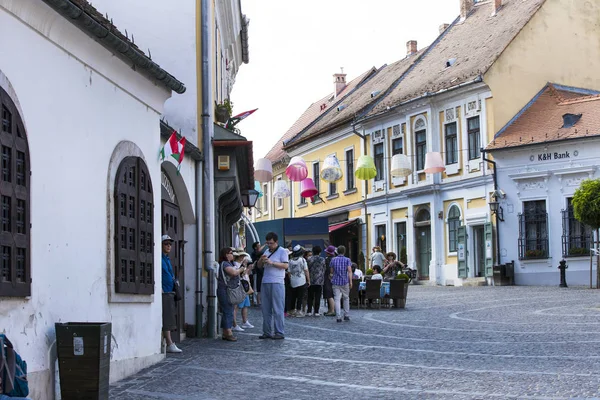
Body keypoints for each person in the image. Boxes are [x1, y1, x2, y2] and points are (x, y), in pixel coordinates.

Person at [257, 232, 289, 339]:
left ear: (276, 242)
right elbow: (259, 266)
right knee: (265, 309)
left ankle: (279, 332)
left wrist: (272, 263)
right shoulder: (266, 251)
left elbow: (285, 265)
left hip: (277, 282)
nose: (269, 245)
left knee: (278, 309)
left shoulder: (282, 251)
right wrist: (261, 261)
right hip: (265, 281)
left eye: (271, 243)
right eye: (268, 243)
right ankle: (266, 332)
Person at [217, 247, 247, 342]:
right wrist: (242, 268)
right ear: (226, 255)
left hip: (228, 290)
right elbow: (234, 273)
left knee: (229, 310)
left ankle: (225, 332)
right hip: (225, 290)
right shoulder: (225, 264)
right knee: (228, 311)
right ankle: (228, 332)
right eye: (231, 253)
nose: (232, 255)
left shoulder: (230, 263)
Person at [161, 234, 182, 353]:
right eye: (166, 243)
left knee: (169, 316)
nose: (168, 246)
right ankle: (169, 342)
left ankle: (169, 342)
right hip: (165, 291)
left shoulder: (167, 258)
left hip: (170, 290)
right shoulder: (159, 257)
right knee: (168, 317)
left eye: (170, 244)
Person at [231, 249, 254, 332]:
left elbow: (246, 274)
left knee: (245, 305)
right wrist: (245, 267)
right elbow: (240, 274)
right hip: (239, 287)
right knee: (236, 306)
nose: (243, 257)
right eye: (242, 256)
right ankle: (234, 324)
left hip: (244, 286)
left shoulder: (240, 264)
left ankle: (245, 321)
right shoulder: (236, 264)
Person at [330, 245, 353, 323]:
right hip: (345, 281)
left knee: (337, 299)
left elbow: (331, 272)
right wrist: (350, 281)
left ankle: (338, 316)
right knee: (346, 298)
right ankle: (346, 315)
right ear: (344, 251)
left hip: (336, 281)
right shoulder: (347, 260)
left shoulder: (333, 260)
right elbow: (349, 271)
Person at [288, 245, 310, 317]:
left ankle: (292, 310)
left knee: (293, 296)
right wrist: (308, 280)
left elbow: (289, 272)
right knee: (300, 296)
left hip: (293, 280)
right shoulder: (302, 260)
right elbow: (306, 271)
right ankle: (298, 311)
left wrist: (290, 279)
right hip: (301, 280)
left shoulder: (290, 261)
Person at [307, 245, 325, 316]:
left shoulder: (309, 259)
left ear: (313, 251)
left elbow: (307, 268)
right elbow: (324, 268)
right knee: (318, 296)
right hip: (319, 280)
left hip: (311, 280)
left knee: (310, 296)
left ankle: (309, 311)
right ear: (320, 252)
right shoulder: (322, 259)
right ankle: (316, 311)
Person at [322, 245, 337, 316]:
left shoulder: (327, 260)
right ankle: (330, 309)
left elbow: (325, 269)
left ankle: (332, 310)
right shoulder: (335, 259)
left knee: (329, 294)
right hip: (335, 278)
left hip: (328, 278)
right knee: (333, 294)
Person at [251, 241, 266, 306]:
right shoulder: (254, 254)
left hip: (260, 272)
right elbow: (259, 250)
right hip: (256, 272)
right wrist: (265, 244)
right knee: (256, 287)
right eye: (258, 245)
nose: (260, 246)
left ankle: (258, 301)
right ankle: (256, 301)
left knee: (259, 286)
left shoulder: (258, 253)